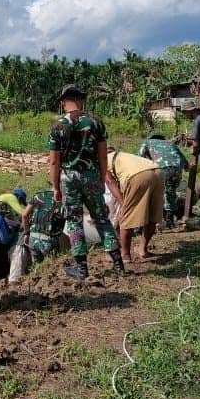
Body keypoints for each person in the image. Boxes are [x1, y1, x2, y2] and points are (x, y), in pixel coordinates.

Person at [48, 84, 124, 279]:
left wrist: (55, 187)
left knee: (74, 221)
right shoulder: (96, 122)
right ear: (80, 100)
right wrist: (101, 178)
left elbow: (54, 160)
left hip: (69, 179)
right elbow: (103, 156)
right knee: (101, 218)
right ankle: (118, 263)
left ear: (63, 102)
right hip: (91, 176)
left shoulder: (58, 126)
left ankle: (81, 268)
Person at [104, 149, 164, 262]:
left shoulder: (102, 159)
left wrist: (123, 204)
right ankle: (143, 249)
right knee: (152, 214)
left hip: (139, 176)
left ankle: (125, 255)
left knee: (127, 218)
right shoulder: (123, 155)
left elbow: (110, 182)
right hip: (158, 172)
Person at [138, 132, 189, 225]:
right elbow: (184, 161)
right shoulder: (170, 143)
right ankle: (169, 220)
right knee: (170, 192)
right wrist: (187, 167)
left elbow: (140, 158)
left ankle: (154, 220)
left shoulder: (147, 142)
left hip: (162, 169)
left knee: (155, 193)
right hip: (177, 169)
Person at [21, 190, 66, 261]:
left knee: (37, 268)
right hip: (48, 240)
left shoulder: (38, 195)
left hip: (33, 238)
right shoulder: (63, 199)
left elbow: (24, 215)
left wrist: (26, 233)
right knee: (52, 267)